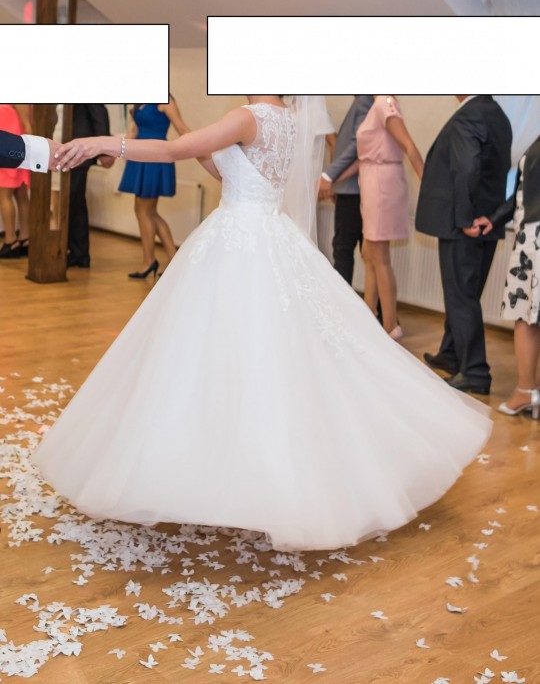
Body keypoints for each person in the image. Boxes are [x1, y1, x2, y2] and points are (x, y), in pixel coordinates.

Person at [34, 95, 491, 553]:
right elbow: (225, 170)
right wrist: (188, 140)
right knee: (268, 357)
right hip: (270, 234)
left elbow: (173, 151)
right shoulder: (286, 119)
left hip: (240, 243)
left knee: (220, 353)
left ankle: (228, 475)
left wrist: (101, 142)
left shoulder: (247, 117)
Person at [417, 95, 512, 395]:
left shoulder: (468, 115)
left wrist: (464, 219)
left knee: (461, 296)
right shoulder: (499, 116)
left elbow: (467, 169)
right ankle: (451, 353)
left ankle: (474, 371)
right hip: (487, 223)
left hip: (466, 225)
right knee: (465, 293)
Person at [473, 134, 540, 418]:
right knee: (529, 315)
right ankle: (530, 390)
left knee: (525, 314)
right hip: (529, 233)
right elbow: (524, 191)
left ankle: (526, 391)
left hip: (535, 236)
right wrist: (496, 217)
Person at [355, 95, 423, 339]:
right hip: (372, 180)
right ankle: (369, 315)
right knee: (369, 252)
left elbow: (409, 145)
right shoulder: (378, 104)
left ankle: (390, 326)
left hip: (382, 184)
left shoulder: (385, 102)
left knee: (379, 254)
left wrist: (429, 188)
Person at [118, 99, 189, 279]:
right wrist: (113, 149)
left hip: (155, 157)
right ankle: (172, 260)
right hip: (139, 155)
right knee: (146, 210)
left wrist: (202, 152)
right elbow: (134, 132)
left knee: (144, 210)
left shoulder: (166, 101)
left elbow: (182, 129)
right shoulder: (139, 101)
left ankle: (150, 261)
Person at [318, 96, 374, 284]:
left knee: (344, 250)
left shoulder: (366, 100)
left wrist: (330, 176)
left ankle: (343, 301)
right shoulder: (363, 100)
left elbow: (359, 145)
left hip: (354, 191)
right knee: (363, 253)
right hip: (352, 189)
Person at [67, 105, 113, 268]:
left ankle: (79, 254)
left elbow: (99, 113)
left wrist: (104, 151)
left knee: (75, 201)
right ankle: (74, 251)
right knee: (73, 202)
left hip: (80, 151)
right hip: (67, 149)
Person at [0, 105, 32, 258]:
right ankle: (25, 238)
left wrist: (32, 150)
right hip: (14, 147)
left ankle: (11, 240)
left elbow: (27, 122)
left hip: (10, 149)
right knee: (20, 194)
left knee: (5, 195)